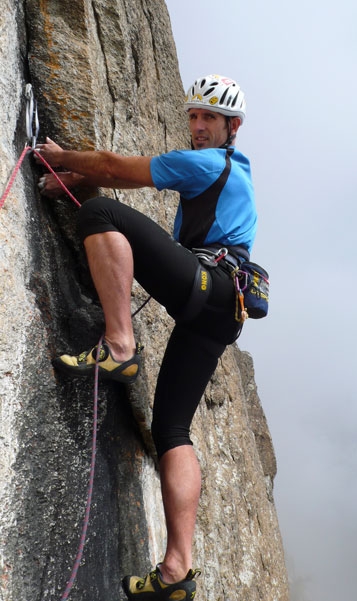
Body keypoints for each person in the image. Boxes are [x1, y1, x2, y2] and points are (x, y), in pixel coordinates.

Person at [36, 74, 257, 600]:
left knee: (101, 211)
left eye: (211, 119)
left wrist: (61, 156)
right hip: (223, 310)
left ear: (233, 128)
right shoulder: (236, 175)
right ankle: (176, 572)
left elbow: (114, 171)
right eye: (194, 116)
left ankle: (118, 348)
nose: (199, 127)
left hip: (208, 287)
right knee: (172, 429)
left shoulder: (209, 165)